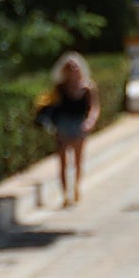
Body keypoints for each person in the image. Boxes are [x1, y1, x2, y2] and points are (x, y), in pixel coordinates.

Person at [49, 52, 100, 208]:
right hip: (63, 124)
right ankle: (65, 193)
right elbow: (52, 105)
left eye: (75, 67)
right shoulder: (60, 88)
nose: (73, 70)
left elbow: (94, 107)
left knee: (77, 160)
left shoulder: (88, 87)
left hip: (79, 124)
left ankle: (76, 186)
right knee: (63, 162)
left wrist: (90, 121)